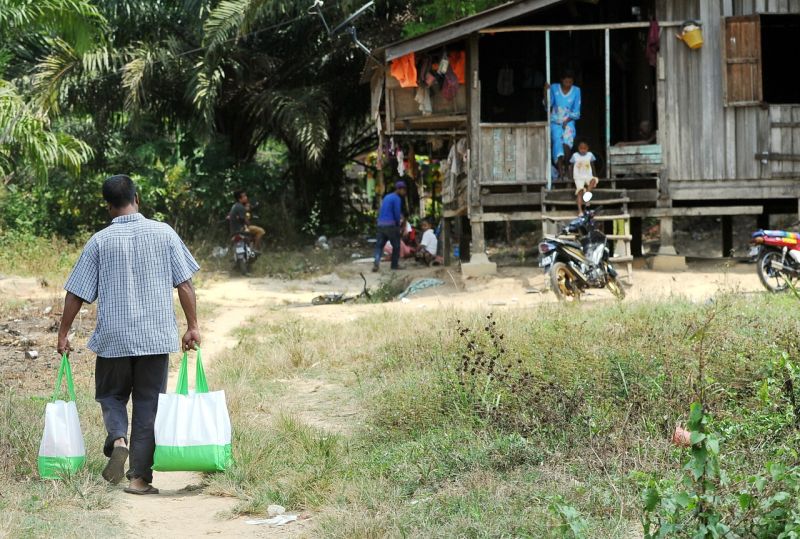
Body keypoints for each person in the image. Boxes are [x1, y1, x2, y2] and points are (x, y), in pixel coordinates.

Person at [57, 175, 201, 496]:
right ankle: (138, 479)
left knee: (111, 395)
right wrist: (192, 326)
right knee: (148, 405)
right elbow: (185, 285)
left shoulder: (99, 241)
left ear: (108, 206)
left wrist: (63, 333)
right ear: (137, 198)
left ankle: (118, 437)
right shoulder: (164, 233)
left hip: (113, 339)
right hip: (155, 337)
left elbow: (75, 293)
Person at [546, 70, 582, 180]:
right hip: (555, 122)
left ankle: (567, 168)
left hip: (569, 121)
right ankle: (561, 172)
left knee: (567, 143)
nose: (568, 83)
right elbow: (548, 104)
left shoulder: (576, 90)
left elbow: (576, 111)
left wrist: (567, 120)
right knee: (557, 142)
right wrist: (545, 91)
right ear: (561, 80)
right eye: (566, 80)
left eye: (570, 81)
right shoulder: (554, 88)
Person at [373, 181, 407, 272]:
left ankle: (376, 263)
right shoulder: (397, 198)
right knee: (396, 246)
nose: (404, 192)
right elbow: (396, 213)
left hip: (381, 224)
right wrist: (398, 224)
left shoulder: (387, 197)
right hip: (391, 225)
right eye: (404, 190)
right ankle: (394, 265)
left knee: (379, 246)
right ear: (399, 189)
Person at [570, 141, 598, 215]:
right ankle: (580, 211)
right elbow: (571, 167)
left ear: (587, 148)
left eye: (584, 148)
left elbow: (592, 165)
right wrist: (571, 178)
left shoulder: (590, 155)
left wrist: (594, 175)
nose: (583, 150)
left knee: (593, 180)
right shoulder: (575, 155)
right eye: (581, 148)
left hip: (588, 176)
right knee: (580, 191)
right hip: (578, 177)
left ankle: (587, 195)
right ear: (578, 148)